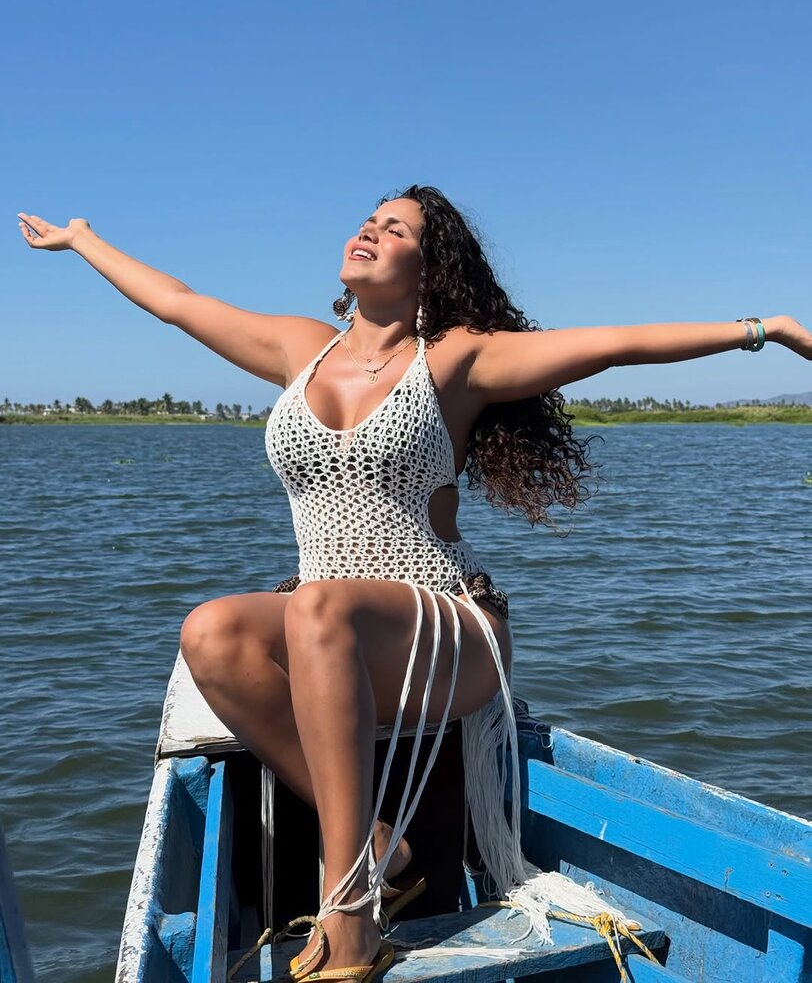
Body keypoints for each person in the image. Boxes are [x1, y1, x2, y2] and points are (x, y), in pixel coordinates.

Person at [17, 189, 811, 982]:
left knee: (316, 607)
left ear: (429, 269)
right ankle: (380, 846)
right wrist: (84, 239)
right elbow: (178, 303)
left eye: (394, 229)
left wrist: (763, 329)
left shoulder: (455, 358)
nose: (369, 230)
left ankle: (351, 915)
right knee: (212, 632)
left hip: (448, 626)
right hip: (335, 629)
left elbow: (615, 344)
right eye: (368, 221)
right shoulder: (301, 348)